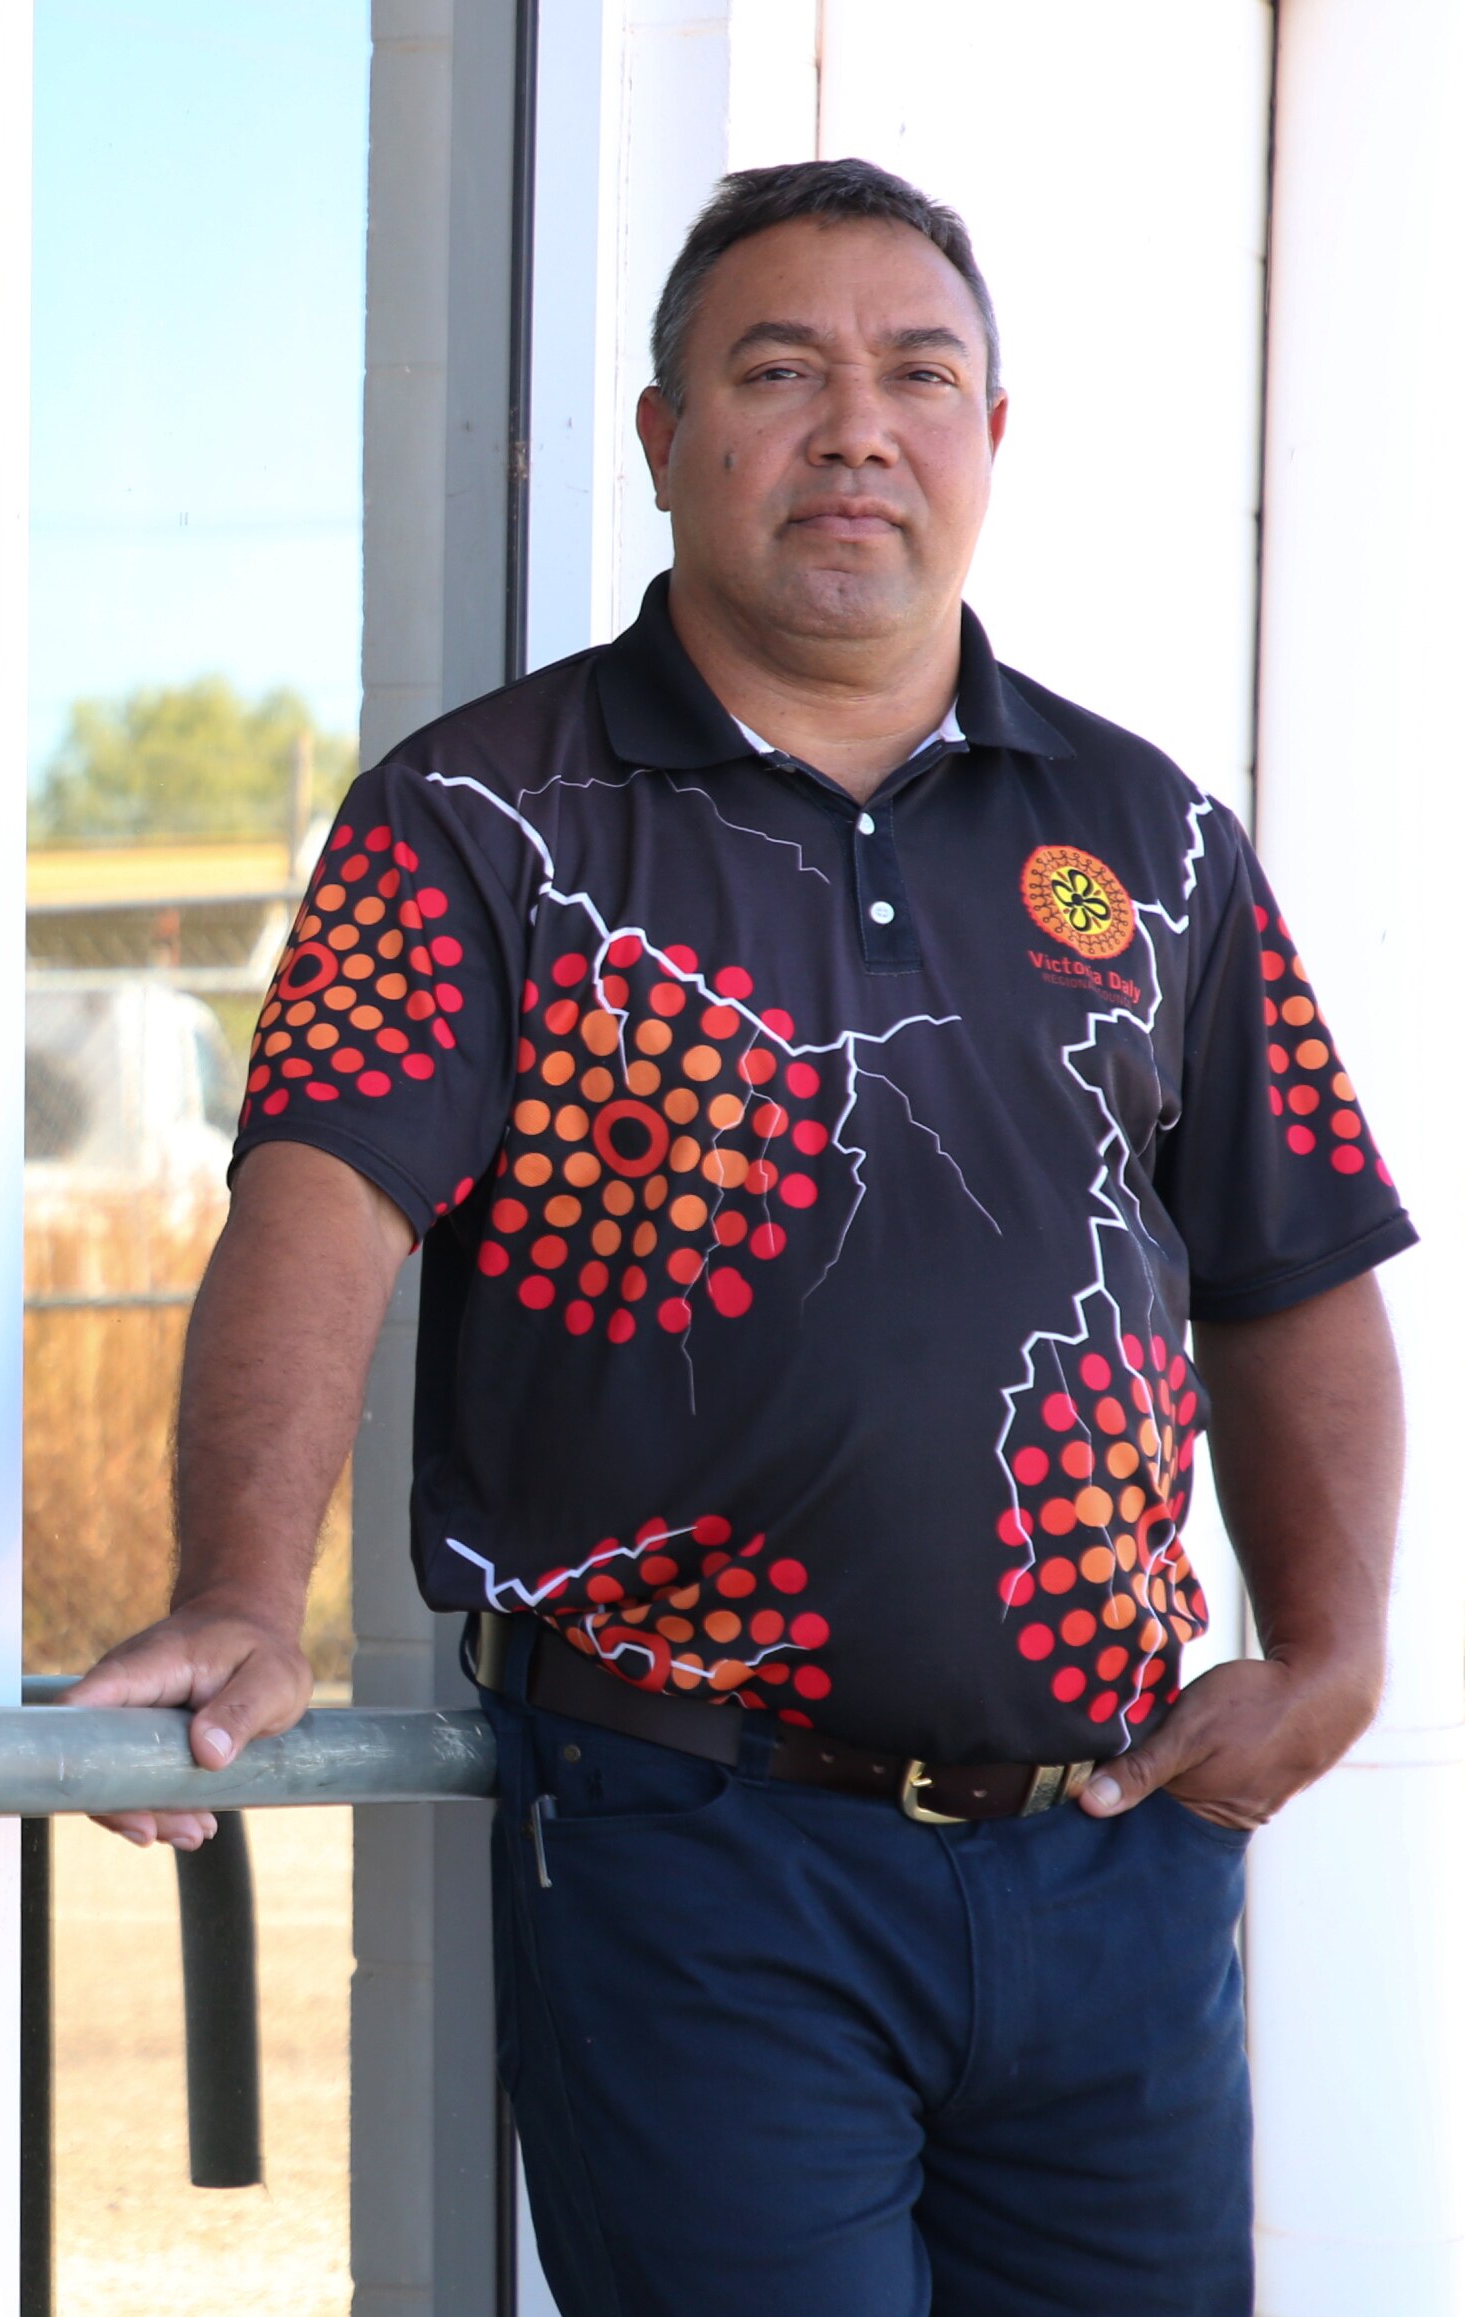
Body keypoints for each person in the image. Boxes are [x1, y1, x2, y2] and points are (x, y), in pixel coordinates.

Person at [70, 158, 1408, 2315]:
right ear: (664, 437)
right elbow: (316, 1205)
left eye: (917, 375)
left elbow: (1290, 1263)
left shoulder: (1148, 837)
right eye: (775, 371)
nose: (853, 426)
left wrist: (1332, 1653)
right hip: (698, 1849)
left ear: (991, 439)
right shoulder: (481, 817)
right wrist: (240, 1590)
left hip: (1114, 1857)